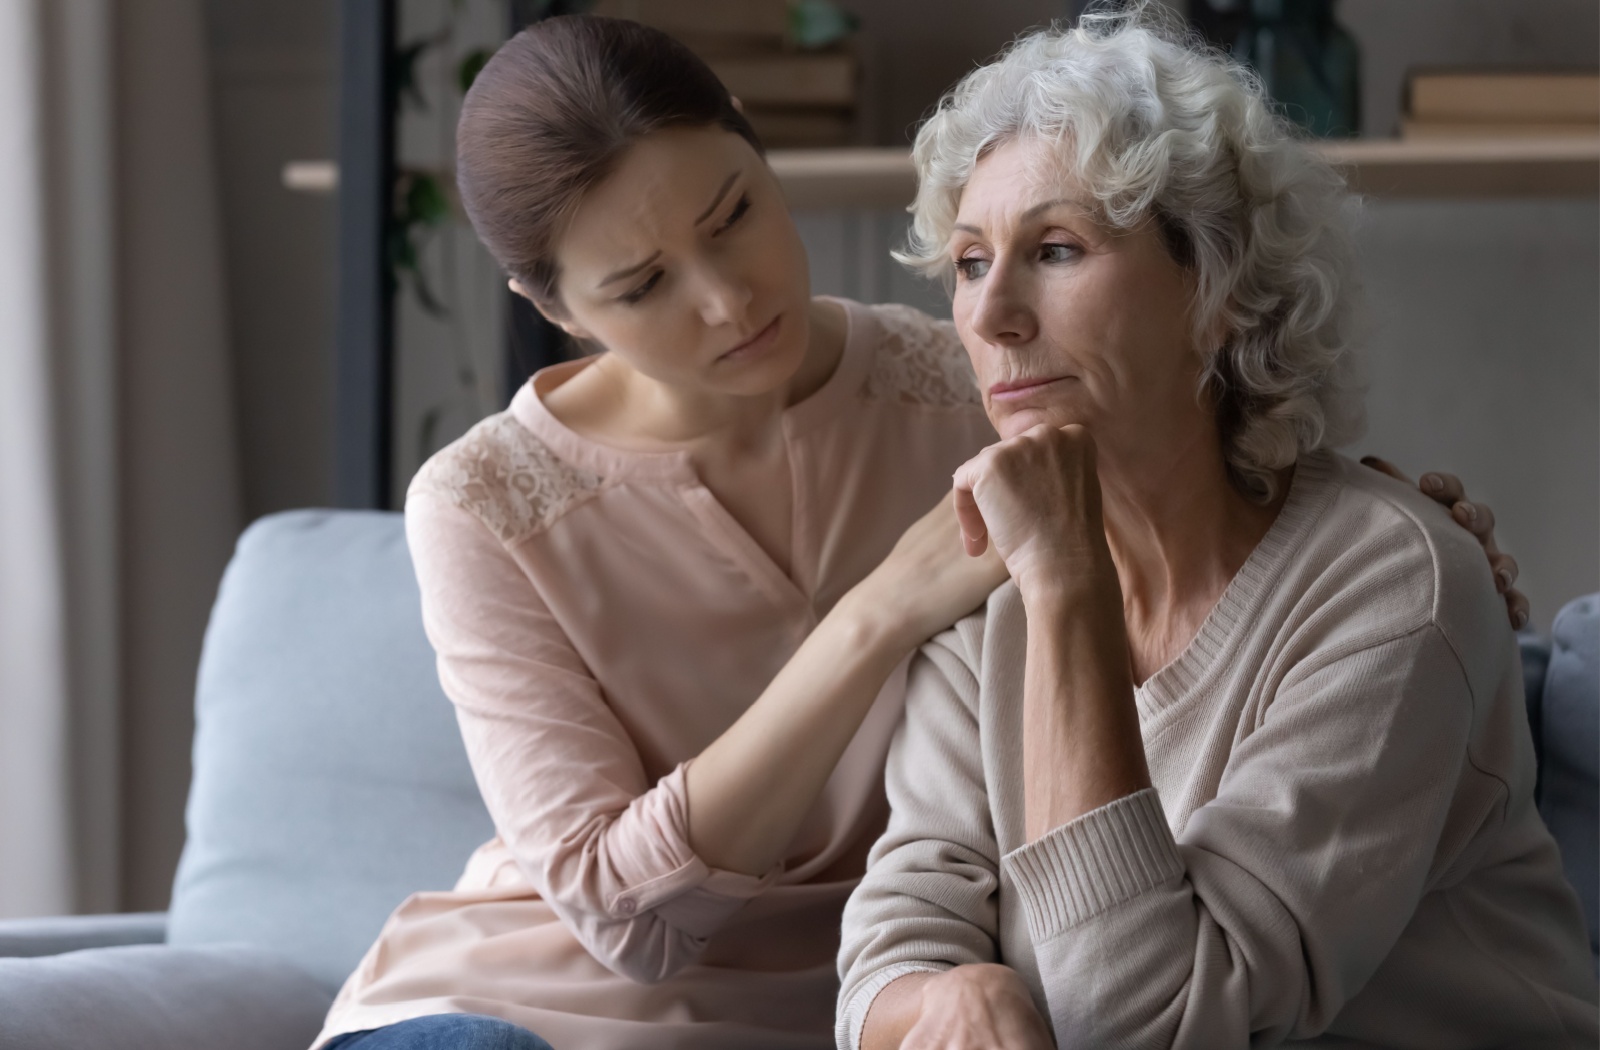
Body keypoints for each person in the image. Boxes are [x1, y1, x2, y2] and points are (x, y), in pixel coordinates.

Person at [313, 14, 1531, 1050]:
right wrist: (880, 614)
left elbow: (1204, 419)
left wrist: (1392, 528)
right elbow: (626, 918)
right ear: (552, 308)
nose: (728, 300)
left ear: (753, 142)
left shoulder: (966, 384)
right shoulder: (480, 503)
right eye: (641, 286)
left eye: (732, 215)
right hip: (548, 1000)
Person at [836, 11, 1598, 1050]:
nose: (990, 313)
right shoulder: (984, 613)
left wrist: (1068, 584)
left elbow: (1144, 1021)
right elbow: (887, 953)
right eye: (970, 262)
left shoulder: (1391, 588)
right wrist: (944, 1000)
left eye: (1055, 249)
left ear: (1218, 291)